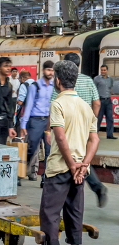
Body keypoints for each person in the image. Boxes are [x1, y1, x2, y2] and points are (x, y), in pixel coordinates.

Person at [39, 60, 99, 245]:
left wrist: (71, 164)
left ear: (57, 81)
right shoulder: (85, 106)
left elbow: (60, 137)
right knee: (75, 215)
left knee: (50, 216)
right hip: (80, 171)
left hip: (59, 168)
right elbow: (94, 139)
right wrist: (83, 165)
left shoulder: (58, 104)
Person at [52, 53, 107, 206]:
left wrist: (48, 129)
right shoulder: (88, 80)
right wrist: (91, 122)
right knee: (83, 158)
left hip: (64, 125)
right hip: (84, 126)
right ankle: (94, 186)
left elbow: (54, 104)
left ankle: (62, 191)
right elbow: (96, 103)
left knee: (62, 159)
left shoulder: (61, 82)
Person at [20, 61, 55, 183]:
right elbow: (28, 106)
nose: (50, 73)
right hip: (35, 121)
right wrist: (23, 125)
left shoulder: (53, 87)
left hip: (48, 122)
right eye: (48, 70)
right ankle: (19, 174)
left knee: (49, 152)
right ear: (43, 70)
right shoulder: (34, 86)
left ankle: (45, 178)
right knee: (31, 149)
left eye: (52, 70)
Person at [94, 64, 115, 139]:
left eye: (104, 70)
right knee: (98, 118)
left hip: (108, 101)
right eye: (101, 70)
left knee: (110, 118)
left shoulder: (110, 79)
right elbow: (94, 90)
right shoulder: (97, 79)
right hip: (100, 101)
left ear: (107, 70)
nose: (102, 71)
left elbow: (110, 89)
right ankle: (95, 135)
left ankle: (110, 135)